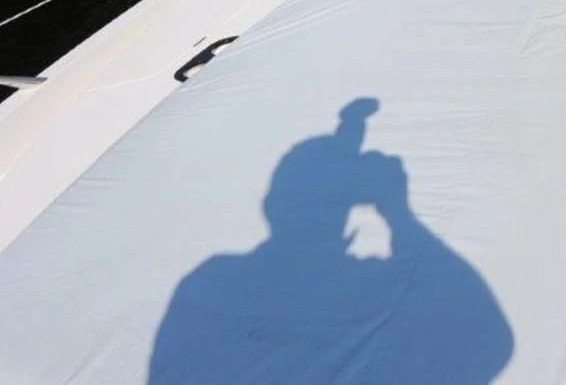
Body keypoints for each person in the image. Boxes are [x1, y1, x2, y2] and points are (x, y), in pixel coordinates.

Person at [149, 99, 513, 384]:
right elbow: (490, 340)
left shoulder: (208, 280)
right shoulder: (370, 288)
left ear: (272, 204)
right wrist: (398, 212)